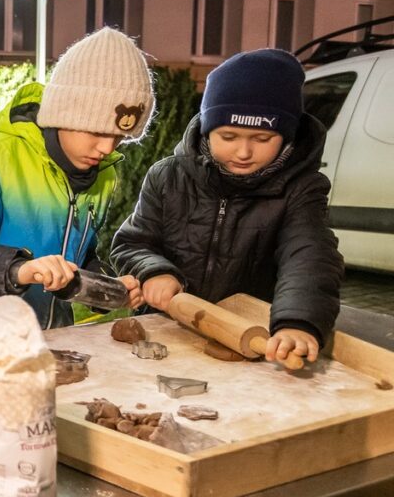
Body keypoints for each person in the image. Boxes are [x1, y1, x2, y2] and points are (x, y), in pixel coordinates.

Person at [111, 49, 343, 363]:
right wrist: (154, 272)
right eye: (229, 136)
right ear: (207, 129)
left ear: (288, 137)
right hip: (165, 331)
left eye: (262, 139)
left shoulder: (300, 189)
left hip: (250, 338)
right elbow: (132, 243)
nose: (243, 151)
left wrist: (297, 322)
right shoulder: (168, 176)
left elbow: (309, 256)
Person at [0, 27, 153, 328]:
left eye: (120, 137)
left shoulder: (104, 176)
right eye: (97, 131)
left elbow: (80, 255)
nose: (107, 148)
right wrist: (20, 269)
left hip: (56, 339)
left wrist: (107, 288)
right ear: (63, 113)